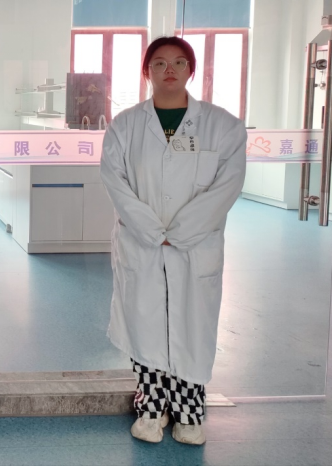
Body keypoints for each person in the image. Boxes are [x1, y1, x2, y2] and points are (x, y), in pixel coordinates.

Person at [100, 36, 247, 446]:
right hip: (142, 244)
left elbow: (228, 184)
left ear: (191, 70)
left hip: (195, 246)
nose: (170, 70)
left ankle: (190, 413)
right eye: (160, 62)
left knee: (192, 326)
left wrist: (182, 231)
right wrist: (150, 230)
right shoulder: (125, 126)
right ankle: (151, 409)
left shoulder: (223, 126)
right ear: (147, 71)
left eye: (180, 62)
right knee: (146, 324)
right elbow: (114, 180)